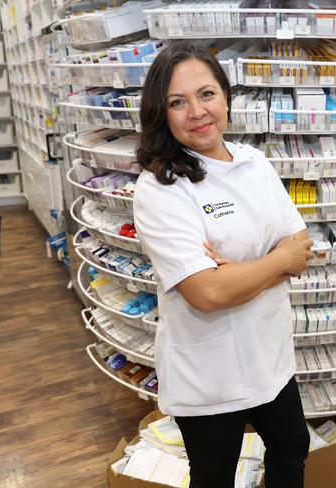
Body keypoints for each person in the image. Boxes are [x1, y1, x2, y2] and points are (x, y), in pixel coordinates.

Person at [133, 42, 313, 488]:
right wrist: (276, 262)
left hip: (270, 355)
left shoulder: (255, 163)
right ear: (162, 113)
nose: (197, 111)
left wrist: (238, 271)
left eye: (206, 94)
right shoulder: (160, 189)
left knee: (292, 450)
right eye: (178, 102)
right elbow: (207, 294)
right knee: (213, 476)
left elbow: (301, 247)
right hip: (209, 372)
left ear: (226, 97)